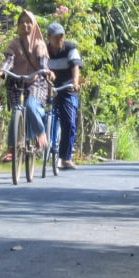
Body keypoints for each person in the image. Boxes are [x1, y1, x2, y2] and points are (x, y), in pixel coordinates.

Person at [0, 10, 51, 162]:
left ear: (34, 25)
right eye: (21, 22)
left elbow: (43, 63)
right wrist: (2, 71)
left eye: (28, 22)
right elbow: (9, 61)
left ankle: (40, 132)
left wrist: (46, 72)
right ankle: (11, 149)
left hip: (36, 83)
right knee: (16, 112)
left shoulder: (40, 44)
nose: (25, 25)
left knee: (31, 106)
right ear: (17, 26)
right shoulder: (14, 44)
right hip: (15, 82)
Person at [46, 22, 82, 170]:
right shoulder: (44, 50)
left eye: (61, 36)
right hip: (48, 86)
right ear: (49, 37)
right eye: (56, 37)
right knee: (35, 111)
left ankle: (65, 158)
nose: (60, 39)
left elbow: (75, 66)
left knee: (69, 122)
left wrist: (75, 82)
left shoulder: (70, 49)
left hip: (66, 88)